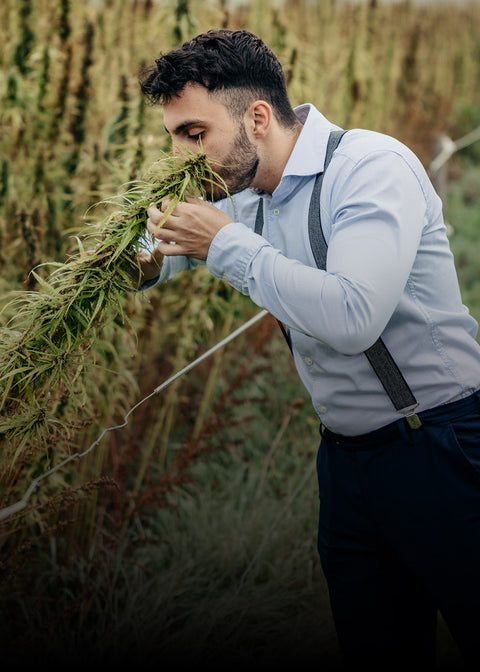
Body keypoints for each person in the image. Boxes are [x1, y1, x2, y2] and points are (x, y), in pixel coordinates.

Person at [136, 29, 480, 670]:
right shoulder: (247, 190)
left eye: (193, 133)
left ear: (257, 118)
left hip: (442, 449)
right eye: (173, 137)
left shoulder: (371, 169)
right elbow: (171, 252)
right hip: (347, 467)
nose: (182, 155)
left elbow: (353, 316)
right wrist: (137, 259)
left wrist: (225, 247)